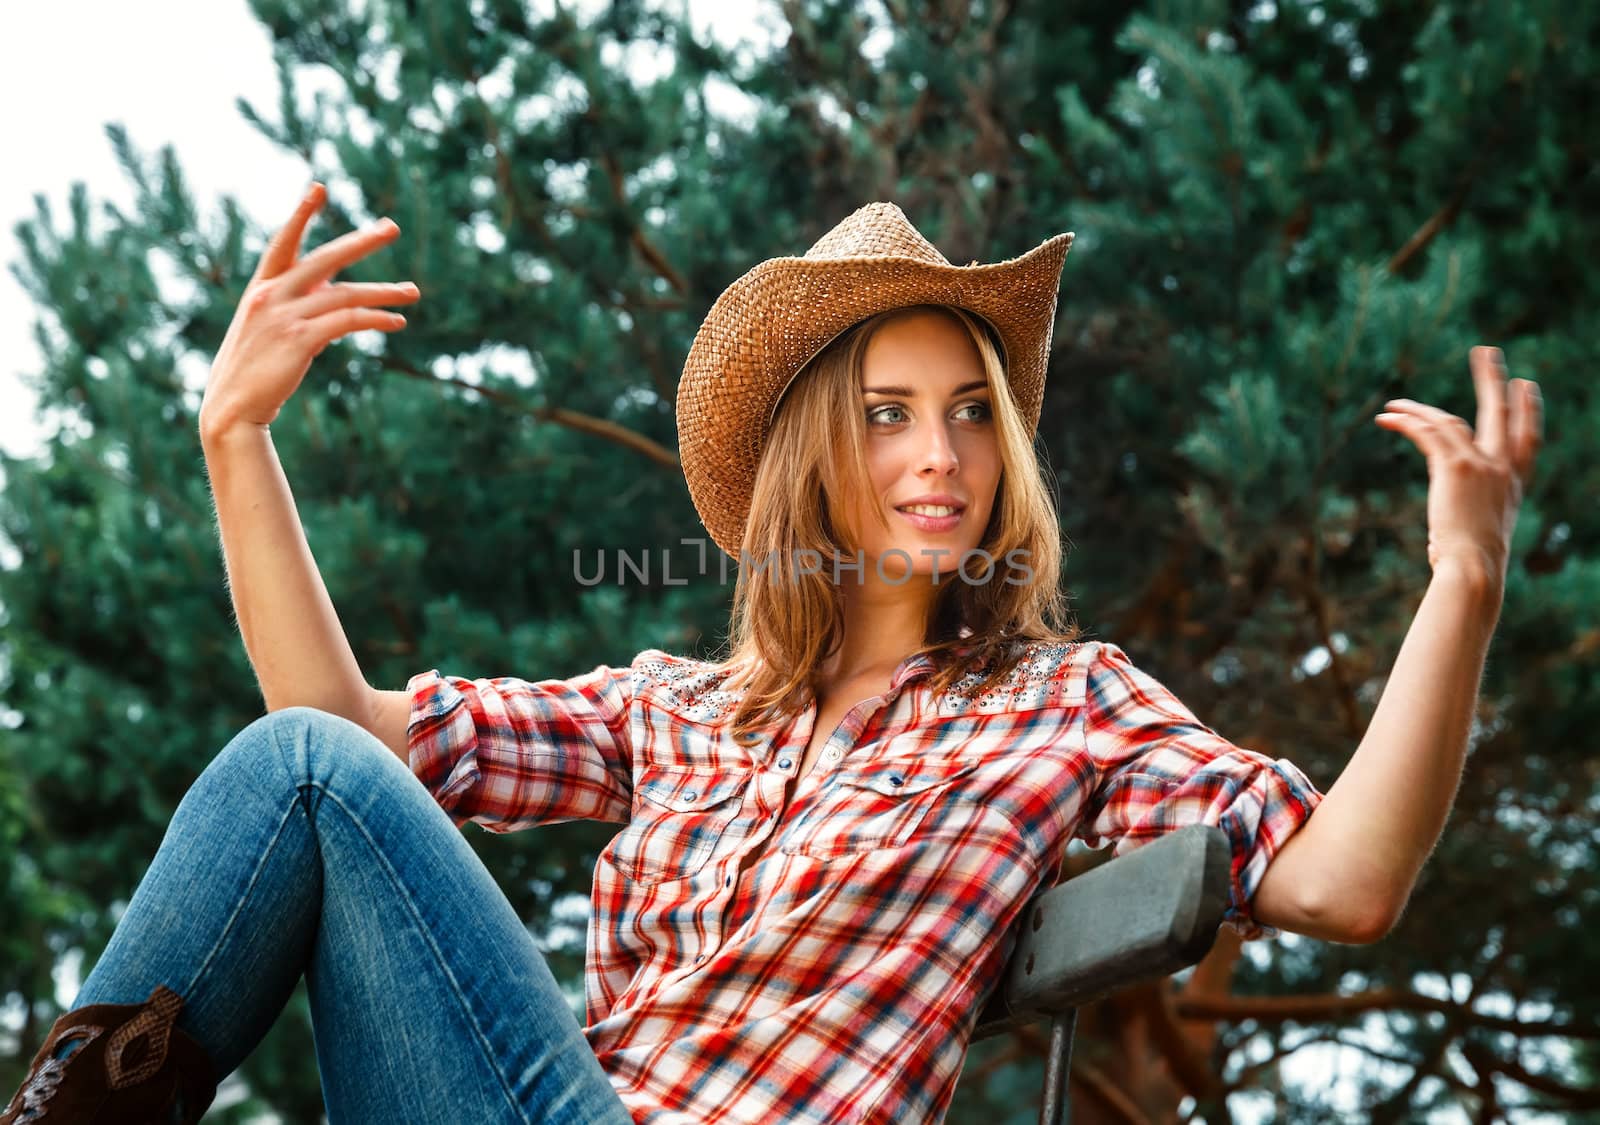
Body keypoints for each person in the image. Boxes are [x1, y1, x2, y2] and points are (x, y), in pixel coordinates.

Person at [3, 188, 1540, 1124]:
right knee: (305, 766)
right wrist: (236, 439)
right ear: (815, 444)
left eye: (968, 413)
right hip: (538, 1104)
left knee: (304, 772)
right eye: (888, 410)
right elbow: (338, 730)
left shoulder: (1061, 703)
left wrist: (1460, 583)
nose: (941, 453)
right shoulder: (677, 707)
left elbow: (1343, 880)